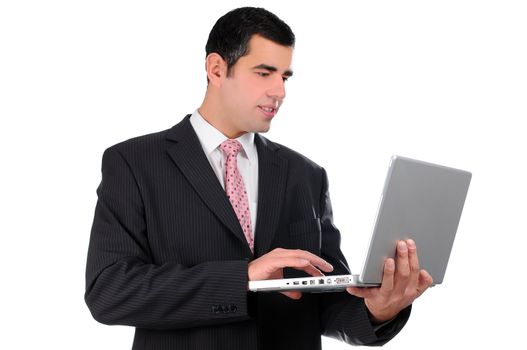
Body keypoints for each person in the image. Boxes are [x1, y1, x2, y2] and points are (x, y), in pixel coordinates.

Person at [85, 7, 433, 350]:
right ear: (217, 68)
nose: (279, 92)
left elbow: (325, 302)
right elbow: (110, 292)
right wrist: (244, 278)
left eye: (284, 77)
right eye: (264, 73)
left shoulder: (306, 174)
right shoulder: (134, 162)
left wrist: (378, 309)